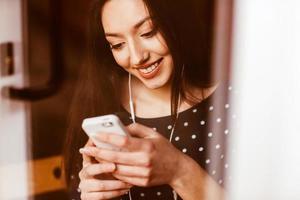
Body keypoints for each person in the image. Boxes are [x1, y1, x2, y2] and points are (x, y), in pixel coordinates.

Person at [64, 0, 231, 199]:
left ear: (178, 21)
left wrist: (179, 170)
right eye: (117, 45)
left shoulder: (233, 103)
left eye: (148, 32)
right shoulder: (100, 102)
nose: (136, 58)